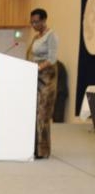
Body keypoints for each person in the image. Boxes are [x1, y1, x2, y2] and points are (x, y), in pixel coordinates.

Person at [27, 8, 58, 159]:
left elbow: (52, 59)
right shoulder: (36, 37)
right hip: (34, 76)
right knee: (33, 112)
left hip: (47, 78)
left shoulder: (51, 36)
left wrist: (37, 68)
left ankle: (43, 150)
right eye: (32, 22)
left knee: (43, 113)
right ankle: (33, 146)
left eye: (36, 21)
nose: (34, 24)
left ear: (44, 20)